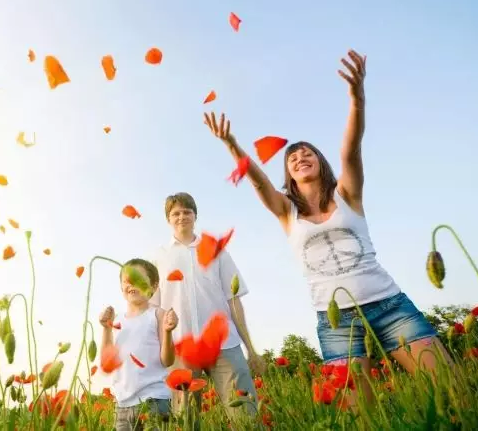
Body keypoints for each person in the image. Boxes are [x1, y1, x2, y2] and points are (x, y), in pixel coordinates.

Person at [204, 49, 453, 400]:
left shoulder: (348, 194)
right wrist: (231, 143)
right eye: (292, 157)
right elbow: (259, 182)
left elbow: (351, 150)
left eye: (307, 153)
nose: (300, 157)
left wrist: (357, 99)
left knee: (449, 389)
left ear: (320, 161)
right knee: (361, 415)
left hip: (389, 305)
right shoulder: (285, 211)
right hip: (336, 321)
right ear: (289, 174)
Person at [149, 192, 264, 422]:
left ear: (195, 215)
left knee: (246, 416)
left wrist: (250, 348)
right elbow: (154, 310)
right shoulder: (159, 257)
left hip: (224, 344)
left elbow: (234, 300)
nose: (182, 217)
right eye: (176, 213)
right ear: (168, 219)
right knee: (186, 419)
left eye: (187, 212)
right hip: (182, 348)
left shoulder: (216, 251)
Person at [99, 258, 179, 431]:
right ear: (121, 287)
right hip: (122, 405)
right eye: (127, 280)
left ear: (154, 286)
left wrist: (167, 331)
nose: (132, 284)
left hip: (154, 401)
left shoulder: (158, 315)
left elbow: (167, 361)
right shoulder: (117, 320)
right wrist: (106, 329)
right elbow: (107, 363)